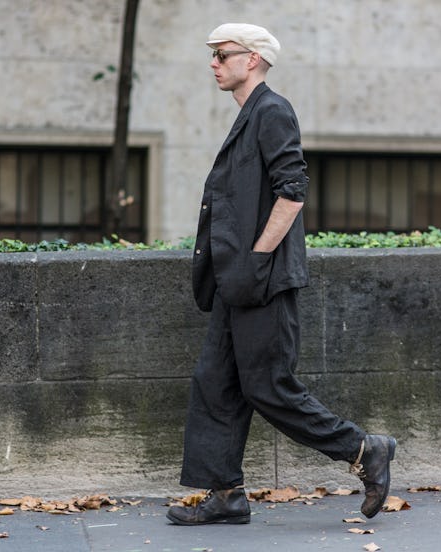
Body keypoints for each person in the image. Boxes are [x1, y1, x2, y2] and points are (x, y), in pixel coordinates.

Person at [166, 23, 397, 526]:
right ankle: (226, 494)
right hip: (236, 281)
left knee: (268, 385)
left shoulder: (272, 110)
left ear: (251, 59)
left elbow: (293, 191)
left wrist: (256, 255)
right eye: (213, 55)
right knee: (214, 383)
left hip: (261, 279)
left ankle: (364, 449)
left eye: (221, 55)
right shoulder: (249, 116)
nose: (213, 63)